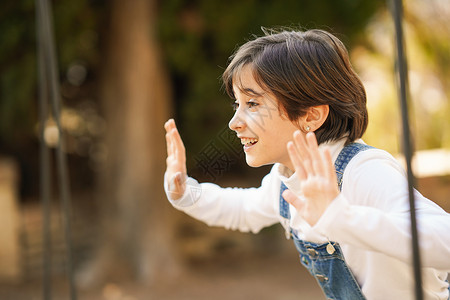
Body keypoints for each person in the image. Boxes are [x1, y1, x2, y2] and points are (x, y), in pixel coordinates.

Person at [163, 28, 450, 300]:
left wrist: (341, 217)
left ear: (311, 116)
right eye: (236, 105)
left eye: (252, 104)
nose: (234, 123)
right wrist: (187, 194)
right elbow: (243, 209)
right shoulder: (287, 178)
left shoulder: (362, 171)